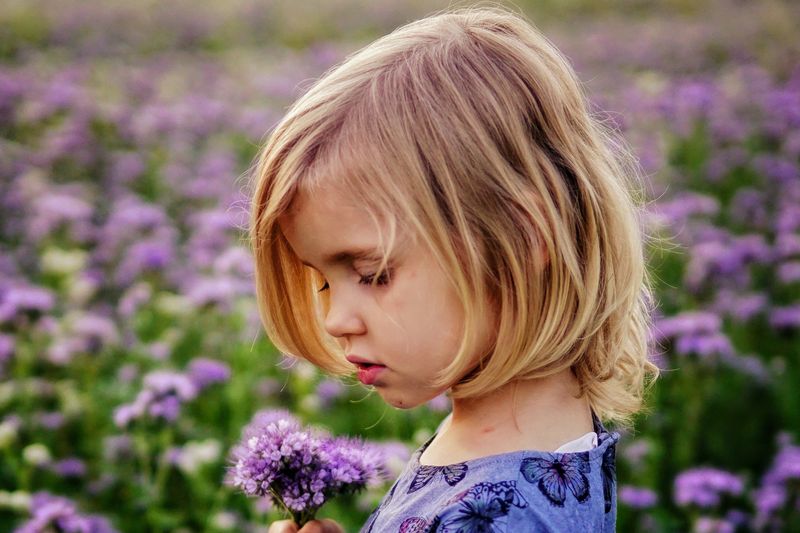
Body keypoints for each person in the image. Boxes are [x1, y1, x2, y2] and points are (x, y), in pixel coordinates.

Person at [250, 5, 660, 532]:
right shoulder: (515, 443)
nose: (334, 319)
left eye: (373, 273)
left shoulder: (499, 516)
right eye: (326, 280)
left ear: (520, 236)